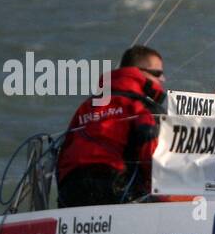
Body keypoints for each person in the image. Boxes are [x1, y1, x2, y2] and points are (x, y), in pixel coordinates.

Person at [57, 45, 167, 207]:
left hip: (70, 189)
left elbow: (65, 150)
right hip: (113, 187)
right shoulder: (140, 106)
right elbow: (150, 152)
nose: (163, 79)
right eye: (158, 74)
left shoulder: (87, 105)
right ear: (139, 73)